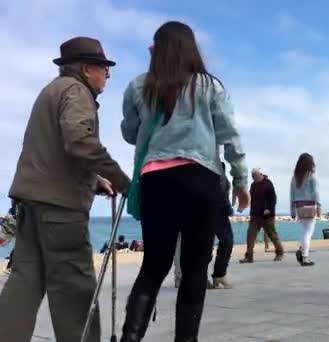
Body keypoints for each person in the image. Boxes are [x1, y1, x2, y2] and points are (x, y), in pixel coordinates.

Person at [119, 21, 249, 342]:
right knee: (194, 269)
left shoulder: (140, 86)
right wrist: (241, 180)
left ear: (157, 49)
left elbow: (129, 132)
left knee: (154, 265)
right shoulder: (210, 86)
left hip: (156, 181)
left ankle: (130, 338)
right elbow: (230, 136)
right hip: (200, 179)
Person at [0, 37, 131, 342]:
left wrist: (94, 179)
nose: (107, 78)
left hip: (29, 204)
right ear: (87, 69)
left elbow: (52, 152)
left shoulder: (50, 91)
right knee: (75, 291)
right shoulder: (76, 91)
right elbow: (79, 141)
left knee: (25, 282)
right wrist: (122, 179)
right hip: (60, 210)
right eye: (104, 71)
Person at [174, 163, 236, 290]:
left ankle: (219, 274)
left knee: (227, 241)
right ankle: (199, 277)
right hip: (202, 207)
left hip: (220, 209)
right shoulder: (197, 163)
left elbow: (224, 188)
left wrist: (228, 207)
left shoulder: (221, 165)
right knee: (204, 245)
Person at [240, 168, 284, 263]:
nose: (254, 179)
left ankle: (280, 252)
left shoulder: (268, 184)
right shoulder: (253, 185)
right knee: (250, 234)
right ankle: (249, 256)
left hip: (267, 216)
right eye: (253, 177)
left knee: (272, 234)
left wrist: (269, 209)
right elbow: (250, 198)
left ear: (261, 175)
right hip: (255, 215)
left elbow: (273, 198)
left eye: (255, 176)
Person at [290, 153, 321, 266]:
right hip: (310, 206)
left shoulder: (294, 178)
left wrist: (292, 211)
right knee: (308, 232)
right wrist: (319, 207)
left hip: (299, 207)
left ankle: (301, 250)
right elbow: (316, 193)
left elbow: (292, 195)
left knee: (305, 230)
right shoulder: (311, 177)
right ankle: (304, 257)